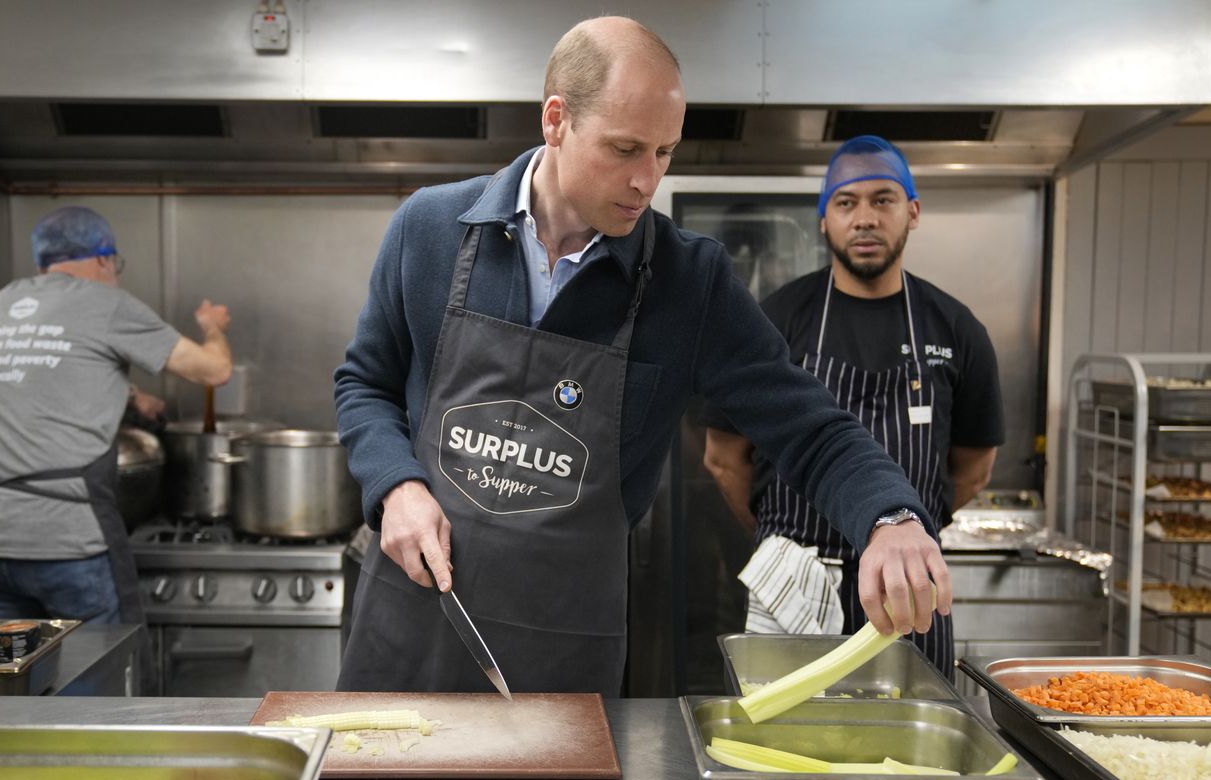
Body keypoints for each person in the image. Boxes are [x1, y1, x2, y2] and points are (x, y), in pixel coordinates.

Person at [334, 17, 952, 697]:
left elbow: (812, 430)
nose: (645, 181)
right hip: (414, 617)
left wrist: (890, 517)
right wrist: (396, 484)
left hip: (561, 653)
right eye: (625, 149)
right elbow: (364, 382)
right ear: (556, 121)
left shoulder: (690, 282)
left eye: (664, 153)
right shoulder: (429, 229)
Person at [702, 136, 1004, 678]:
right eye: (846, 203)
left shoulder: (957, 329)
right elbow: (724, 458)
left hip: (908, 591)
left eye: (883, 200)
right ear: (823, 221)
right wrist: (782, 532)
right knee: (780, 749)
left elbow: (974, 470)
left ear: (913, 212)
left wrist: (915, 527)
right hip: (793, 582)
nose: (865, 218)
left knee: (909, 752)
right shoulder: (775, 319)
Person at [0, 205, 233, 628]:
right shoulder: (106, 304)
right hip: (70, 543)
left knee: (4, 690)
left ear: (43, 263)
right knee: (102, 686)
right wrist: (213, 327)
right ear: (104, 258)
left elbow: (51, 367)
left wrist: (132, 396)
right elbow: (214, 371)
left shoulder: (6, 300)